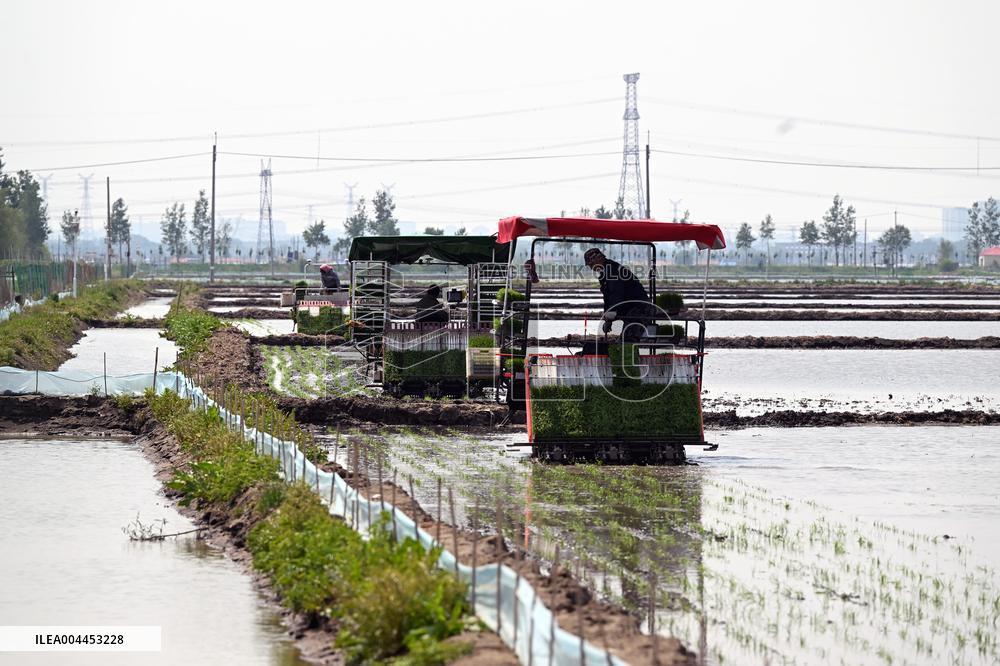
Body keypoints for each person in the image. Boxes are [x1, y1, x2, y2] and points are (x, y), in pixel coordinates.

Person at [583, 248, 651, 336]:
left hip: (640, 309)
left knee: (628, 340)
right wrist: (607, 319)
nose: (591, 268)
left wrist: (611, 314)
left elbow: (616, 293)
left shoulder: (612, 270)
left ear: (598, 260)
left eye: (591, 264)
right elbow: (608, 297)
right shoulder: (606, 272)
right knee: (625, 341)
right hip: (631, 308)